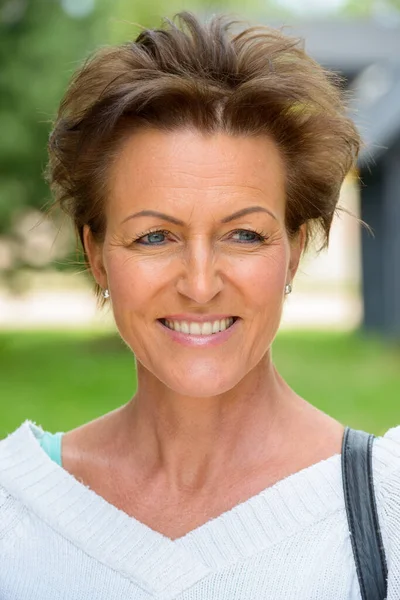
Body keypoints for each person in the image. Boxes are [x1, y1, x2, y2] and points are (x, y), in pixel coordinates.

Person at [0, 11, 399, 599]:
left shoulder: (386, 513)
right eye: (155, 237)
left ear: (293, 251)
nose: (200, 283)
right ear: (98, 256)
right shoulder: (15, 508)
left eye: (244, 235)